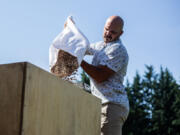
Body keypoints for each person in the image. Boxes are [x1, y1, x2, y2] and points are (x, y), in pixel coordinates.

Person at [80, 15, 129, 135]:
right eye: (106, 29)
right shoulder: (101, 46)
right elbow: (83, 48)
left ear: (120, 33)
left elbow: (100, 76)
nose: (108, 33)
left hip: (112, 105)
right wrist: (71, 36)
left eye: (113, 32)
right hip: (101, 104)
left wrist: (78, 60)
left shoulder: (118, 49)